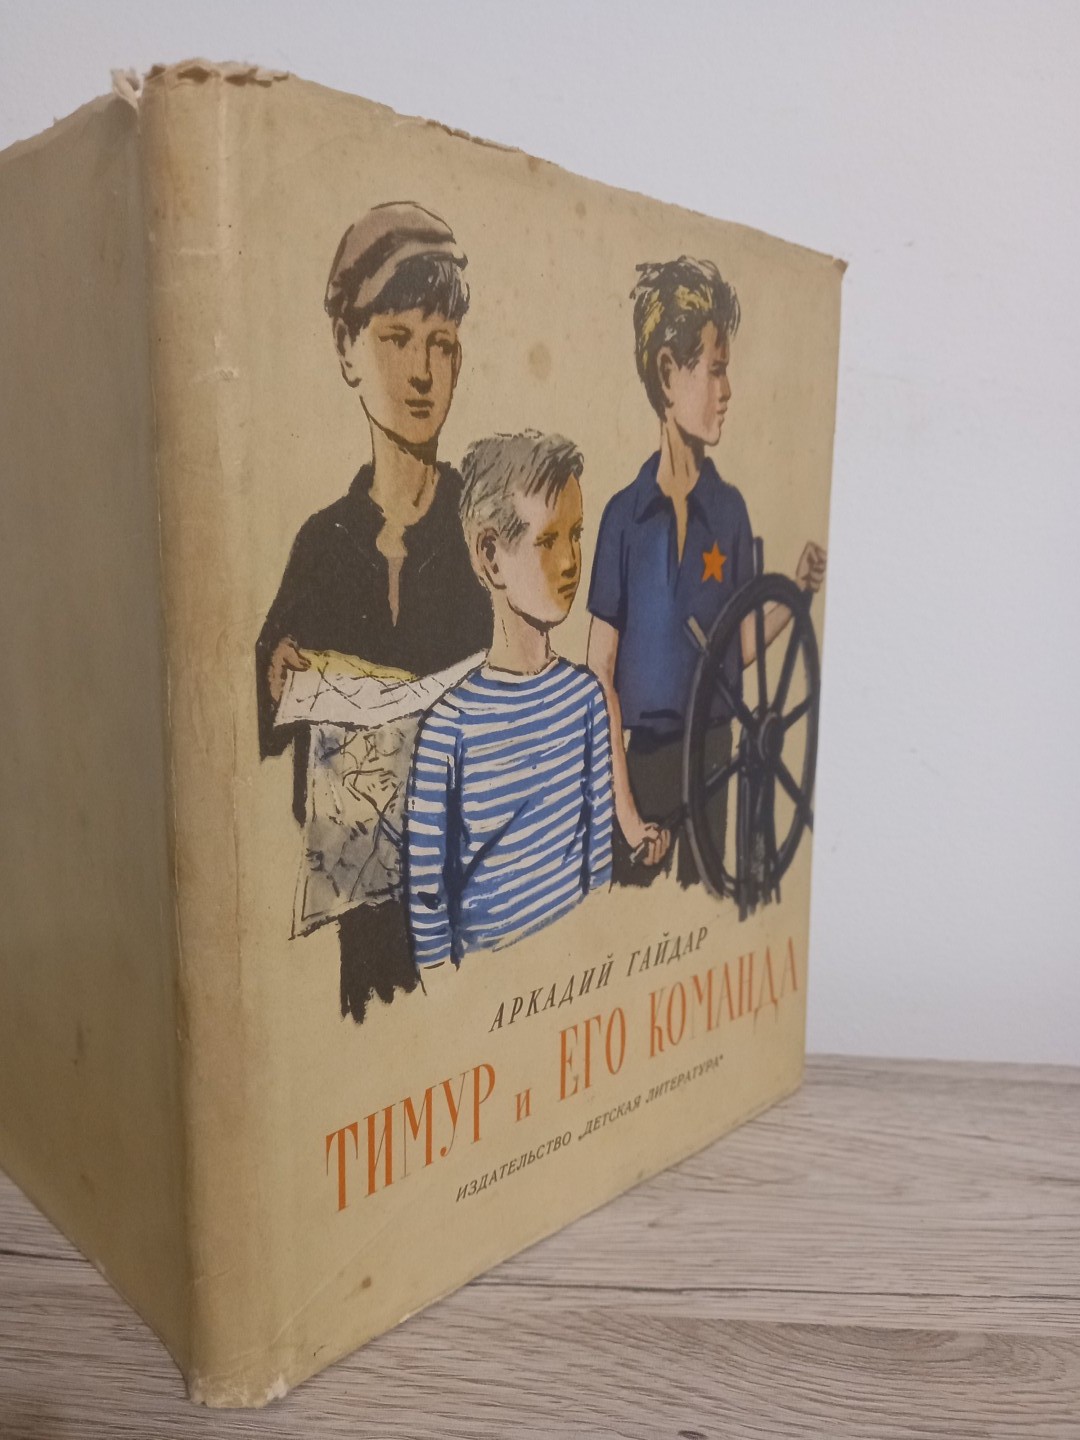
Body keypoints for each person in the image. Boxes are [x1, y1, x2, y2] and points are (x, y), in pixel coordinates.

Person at [256, 202, 491, 1023]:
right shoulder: (323, 546)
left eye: (442, 344)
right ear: (345, 348)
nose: (422, 372)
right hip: (361, 916)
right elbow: (259, 721)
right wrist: (277, 672)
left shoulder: (483, 532)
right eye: (396, 339)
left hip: (471, 901)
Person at [586, 257, 826, 889]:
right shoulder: (622, 518)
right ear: (669, 373)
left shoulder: (731, 512)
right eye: (715, 370)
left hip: (717, 761)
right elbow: (599, 673)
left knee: (704, 913)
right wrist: (627, 815)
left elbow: (734, 649)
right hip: (641, 770)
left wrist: (796, 594)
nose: (728, 390)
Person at [405, 432, 613, 970]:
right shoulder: (448, 728)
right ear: (491, 557)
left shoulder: (585, 700)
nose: (571, 561)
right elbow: (427, 901)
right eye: (548, 541)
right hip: (484, 992)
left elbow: (599, 867)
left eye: (576, 535)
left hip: (574, 975)